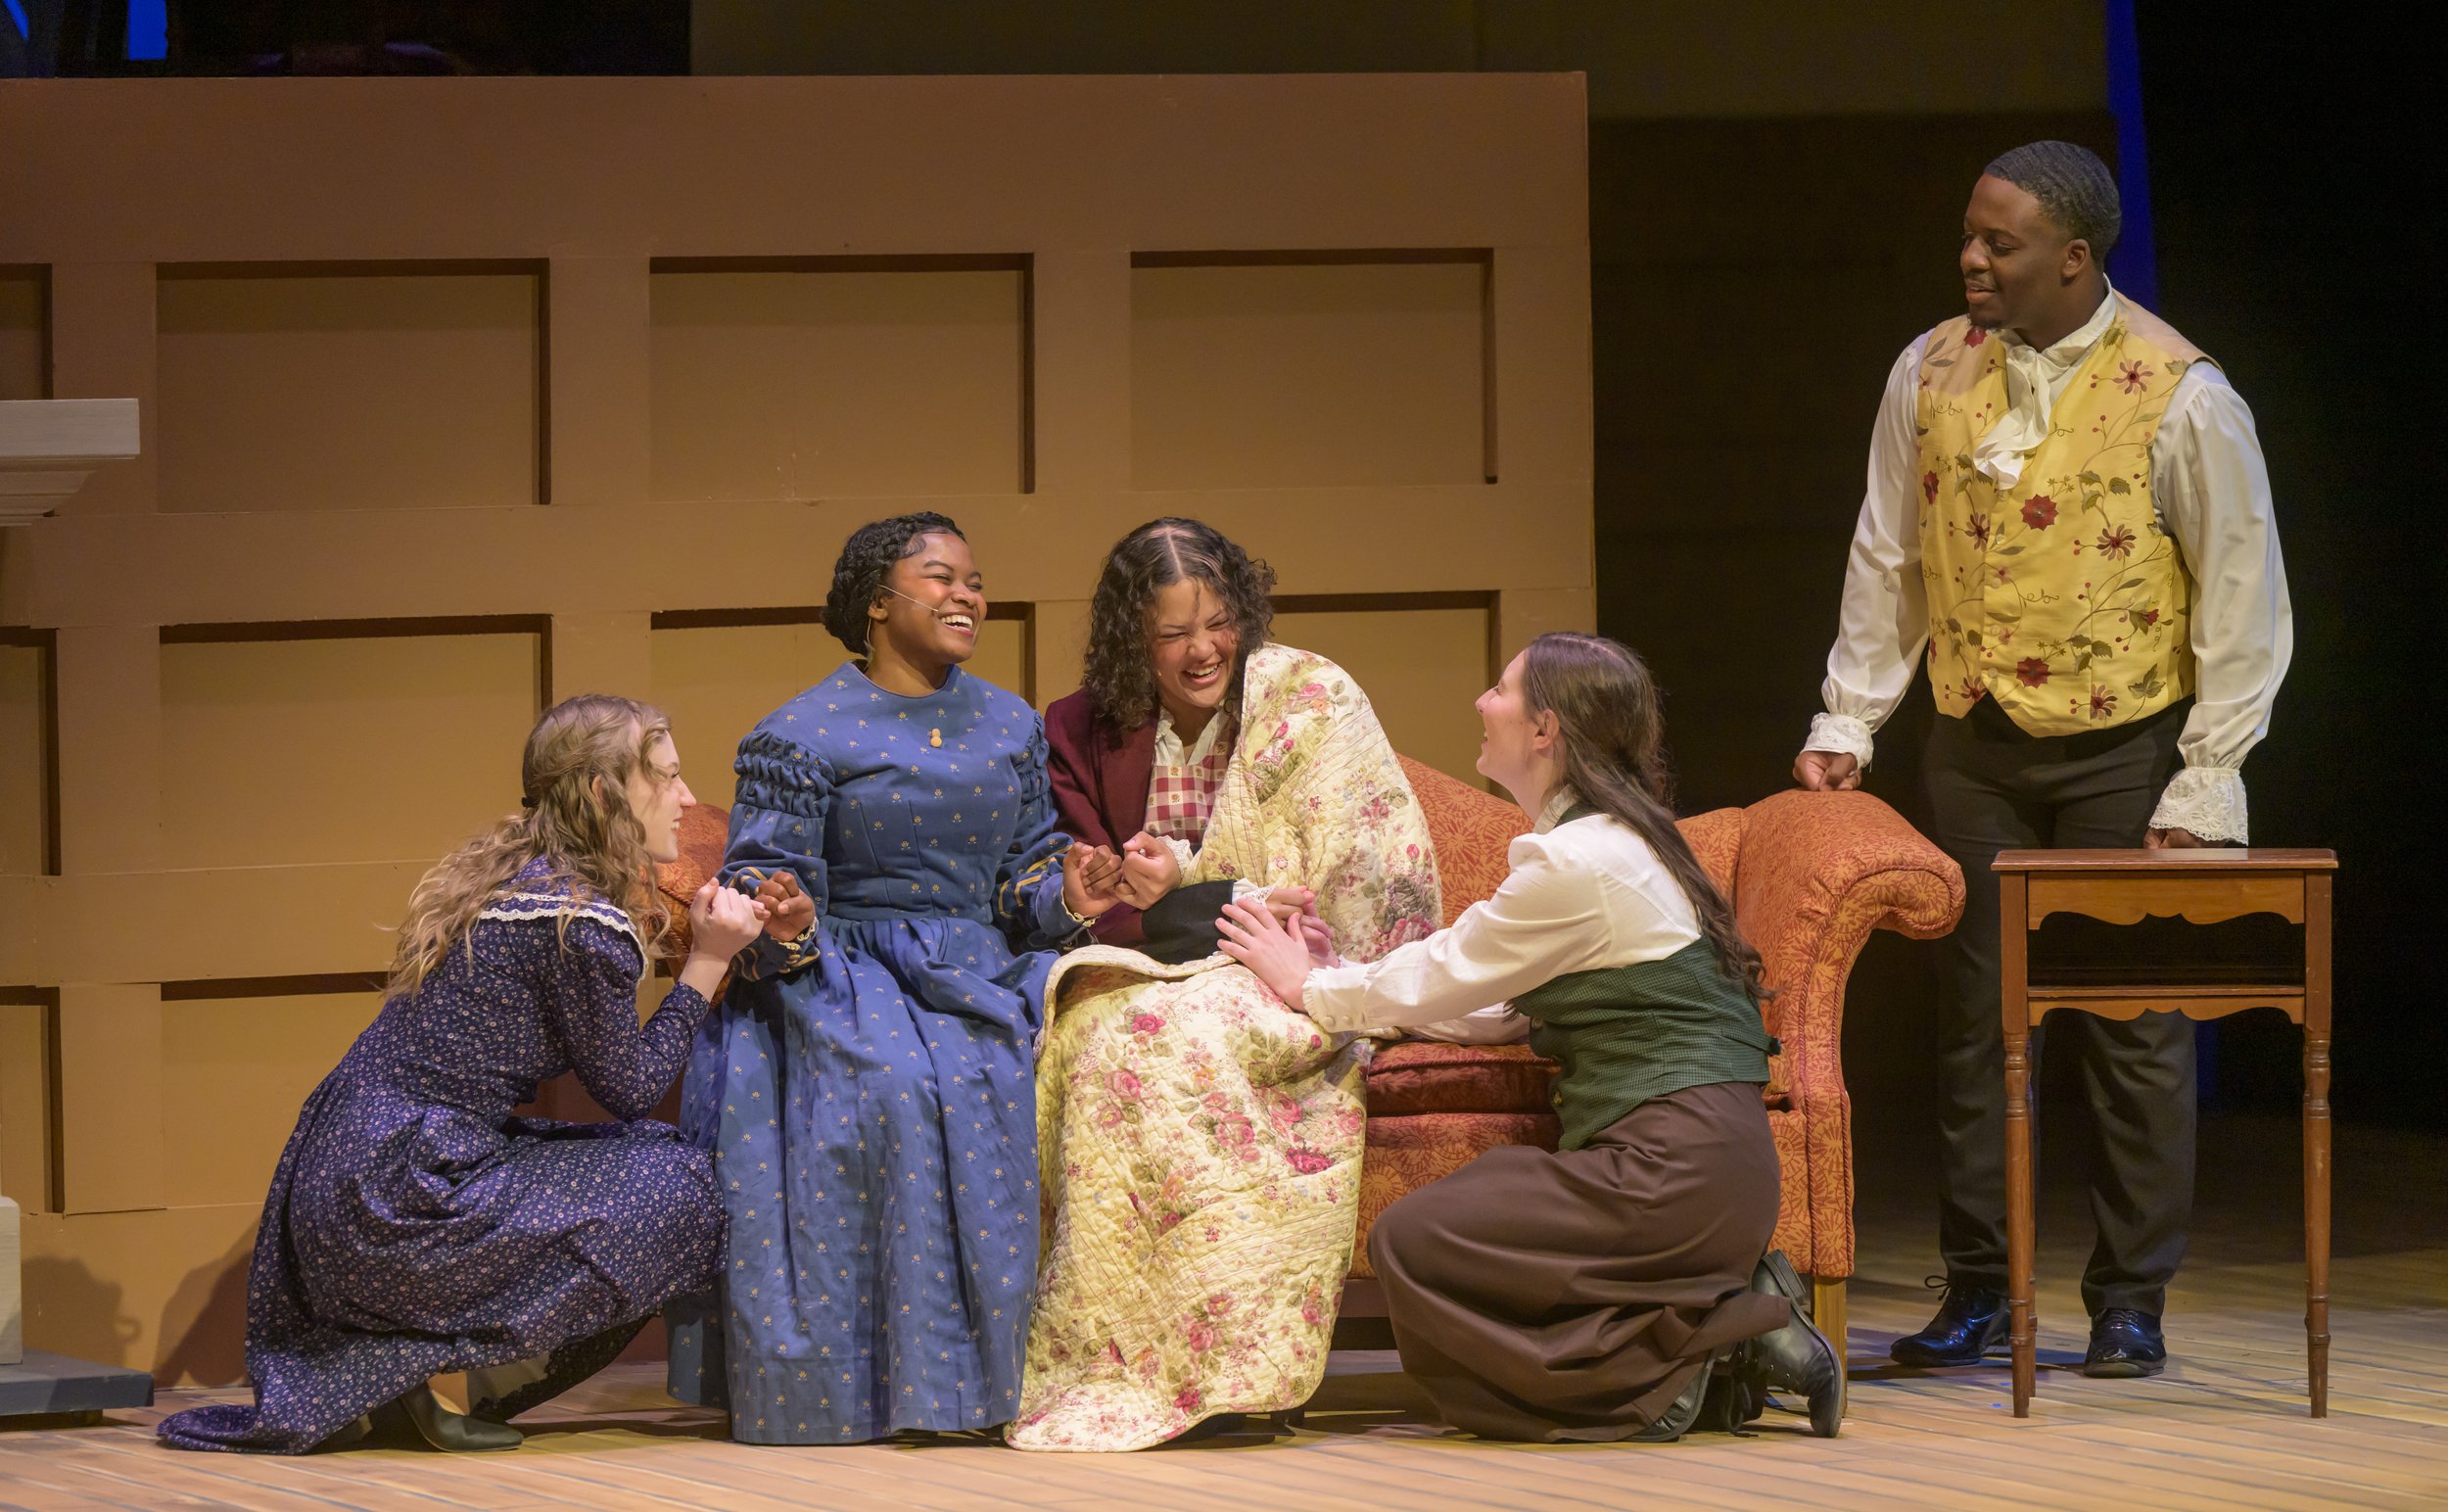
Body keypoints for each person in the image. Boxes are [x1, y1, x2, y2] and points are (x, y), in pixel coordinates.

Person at [1793, 141, 2291, 1378]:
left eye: (1998, 242)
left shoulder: (2180, 392)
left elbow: (2242, 594)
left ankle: (2130, 1296)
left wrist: (2207, 776)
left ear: (2073, 257)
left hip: (2124, 745)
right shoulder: (1928, 369)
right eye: (1969, 234)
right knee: (1977, 1023)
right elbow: (1888, 553)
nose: (1970, 258)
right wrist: (1849, 718)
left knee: (2132, 1026)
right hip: (1975, 743)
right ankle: (1979, 1283)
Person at [1220, 633, 1842, 1442]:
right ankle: (1723, 1328)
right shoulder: (1615, 844)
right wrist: (1340, 977)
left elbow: (1451, 966)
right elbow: (1500, 1008)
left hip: (1673, 1174)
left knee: (1413, 1241)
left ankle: (1685, 1364)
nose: (1483, 703)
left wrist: (1306, 987)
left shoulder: (1580, 862)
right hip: (1701, 1169)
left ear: (1545, 728)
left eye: (1501, 690)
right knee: (1467, 1208)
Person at [159, 695, 759, 1454]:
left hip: (347, 1176)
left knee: (636, 1161)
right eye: (666, 778)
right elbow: (634, 1090)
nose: (686, 798)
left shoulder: (512, 880)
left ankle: (398, 1381)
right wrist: (709, 960)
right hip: (400, 1197)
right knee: (678, 1187)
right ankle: (414, 1376)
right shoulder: (578, 922)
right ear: (605, 793)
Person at [665, 511, 1112, 1444]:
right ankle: (888, 1389)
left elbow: (1023, 877)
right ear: (877, 602)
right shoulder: (799, 733)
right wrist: (788, 920)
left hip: (985, 965)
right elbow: (763, 887)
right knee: (901, 1084)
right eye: (941, 577)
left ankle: (1045, 1379)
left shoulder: (1010, 722)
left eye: (974, 581)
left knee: (1097, 1061)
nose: (967, 596)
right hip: (850, 967)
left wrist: (1069, 892)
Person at [1010, 518, 1441, 1451]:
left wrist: (1206, 897)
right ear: (1133, 638)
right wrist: (1203, 899)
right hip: (1145, 967)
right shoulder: (1078, 728)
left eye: (1218, 623)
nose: (1203, 650)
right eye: (1173, 632)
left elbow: (1355, 877)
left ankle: (1247, 1372)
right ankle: (1136, 1363)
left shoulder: (1304, 701)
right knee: (1109, 1044)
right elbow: (1094, 897)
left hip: (1291, 970)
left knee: (1190, 1040)